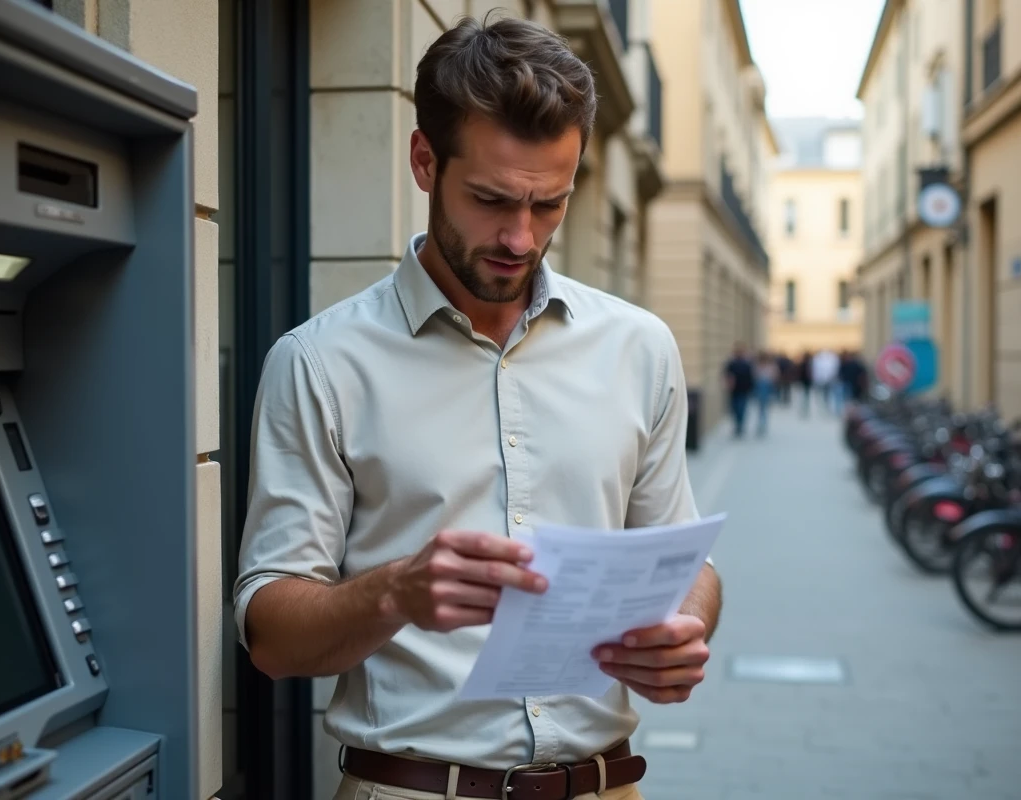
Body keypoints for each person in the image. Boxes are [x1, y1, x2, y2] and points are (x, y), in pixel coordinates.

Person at [233, 16, 721, 800]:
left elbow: (684, 562)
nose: (521, 238)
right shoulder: (320, 362)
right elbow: (270, 638)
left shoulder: (641, 347)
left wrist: (685, 627)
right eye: (492, 200)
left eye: (550, 205)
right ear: (425, 161)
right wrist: (395, 592)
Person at [723, 343, 754, 438]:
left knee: (741, 409)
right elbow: (727, 374)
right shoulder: (732, 363)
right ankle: (738, 425)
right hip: (735, 390)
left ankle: (739, 425)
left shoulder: (746, 364)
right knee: (736, 409)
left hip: (743, 390)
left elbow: (750, 377)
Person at [753, 351, 779, 436]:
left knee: (762, 407)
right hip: (763, 387)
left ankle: (762, 423)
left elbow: (774, 376)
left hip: (765, 387)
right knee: (763, 407)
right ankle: (762, 423)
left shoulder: (767, 366)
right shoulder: (764, 366)